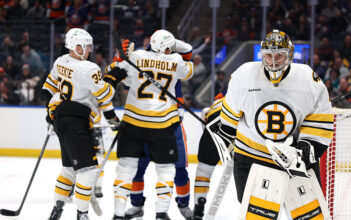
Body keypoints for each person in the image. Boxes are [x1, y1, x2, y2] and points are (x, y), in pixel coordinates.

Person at [211, 30, 333, 217]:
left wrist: (303, 151)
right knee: (258, 216)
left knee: (311, 216)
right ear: (262, 55)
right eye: (269, 55)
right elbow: (228, 121)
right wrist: (223, 135)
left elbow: (320, 120)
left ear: (289, 54)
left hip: (294, 159)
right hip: (253, 155)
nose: (274, 61)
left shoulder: (309, 80)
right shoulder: (243, 76)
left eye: (279, 55)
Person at [43, 28, 126, 220]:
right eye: (87, 46)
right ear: (78, 47)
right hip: (76, 122)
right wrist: (113, 79)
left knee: (69, 170)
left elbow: (47, 89)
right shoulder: (89, 68)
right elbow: (105, 95)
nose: (90, 49)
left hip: (61, 119)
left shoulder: (60, 61)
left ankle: (57, 209)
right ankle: (82, 214)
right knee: (88, 171)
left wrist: (50, 114)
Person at [110, 29, 194, 220]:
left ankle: (182, 204)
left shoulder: (137, 56)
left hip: (145, 122)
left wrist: (120, 56)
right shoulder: (175, 61)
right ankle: (151, 209)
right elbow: (189, 59)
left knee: (132, 168)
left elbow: (117, 72)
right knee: (161, 169)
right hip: (164, 122)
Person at [192, 91, 226, 220]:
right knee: (246, 171)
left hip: (211, 130)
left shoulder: (218, 99)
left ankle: (199, 206)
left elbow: (205, 113)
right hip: (236, 132)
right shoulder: (249, 92)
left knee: (203, 172)